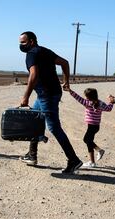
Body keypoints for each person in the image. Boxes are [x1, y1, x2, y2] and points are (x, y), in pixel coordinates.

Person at [18, 31, 82, 174]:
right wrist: (66, 81)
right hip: (49, 93)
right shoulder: (45, 51)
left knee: (54, 128)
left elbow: (33, 75)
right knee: (35, 121)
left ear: (32, 41)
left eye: (23, 42)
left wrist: (25, 97)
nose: (20, 45)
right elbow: (64, 63)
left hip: (46, 95)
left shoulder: (31, 54)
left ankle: (74, 160)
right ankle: (32, 155)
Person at [68, 87, 113, 167]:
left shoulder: (87, 102)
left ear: (89, 97)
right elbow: (109, 109)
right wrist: (111, 101)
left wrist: (70, 90)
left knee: (87, 140)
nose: (85, 97)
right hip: (96, 126)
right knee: (88, 141)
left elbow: (77, 97)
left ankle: (97, 155)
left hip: (91, 126)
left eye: (86, 96)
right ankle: (93, 160)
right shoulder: (100, 103)